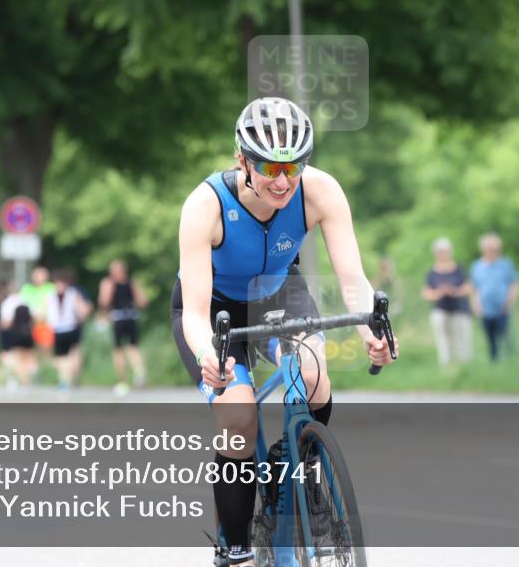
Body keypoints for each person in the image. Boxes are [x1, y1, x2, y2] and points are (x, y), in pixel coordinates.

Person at [171, 97, 399, 567]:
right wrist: (208, 355)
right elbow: (194, 312)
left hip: (278, 294)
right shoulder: (205, 205)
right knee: (237, 417)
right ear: (243, 161)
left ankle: (295, 465)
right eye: (270, 167)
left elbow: (352, 279)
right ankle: (234, 549)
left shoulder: (320, 191)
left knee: (315, 377)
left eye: (293, 166)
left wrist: (369, 332)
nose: (282, 180)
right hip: (214, 311)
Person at [98, 259, 149, 396]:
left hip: (118, 319)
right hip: (132, 316)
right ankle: (139, 372)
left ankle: (122, 381)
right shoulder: (132, 282)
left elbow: (104, 301)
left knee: (118, 351)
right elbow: (143, 302)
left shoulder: (108, 283)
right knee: (133, 347)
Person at [422, 238, 473, 366]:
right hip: (441, 310)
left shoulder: (459, 269)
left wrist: (454, 291)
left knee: (462, 339)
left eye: (445, 251)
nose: (443, 254)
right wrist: (440, 293)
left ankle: (464, 366)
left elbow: (468, 288)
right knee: (444, 341)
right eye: (440, 251)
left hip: (459, 309)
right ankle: (446, 366)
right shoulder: (431, 273)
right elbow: (426, 293)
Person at [469, 233, 519, 362]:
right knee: (490, 339)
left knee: (504, 337)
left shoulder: (506, 265)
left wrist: (509, 302)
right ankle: (494, 363)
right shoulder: (477, 266)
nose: (493, 251)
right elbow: (474, 289)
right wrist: (476, 305)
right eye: (490, 248)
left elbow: (514, 285)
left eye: (495, 249)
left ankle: (510, 362)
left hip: (503, 308)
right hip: (485, 309)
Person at [47, 268, 91, 391]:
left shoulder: (73, 294)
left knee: (72, 354)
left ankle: (68, 379)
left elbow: (84, 309)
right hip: (57, 328)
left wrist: (80, 317)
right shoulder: (50, 295)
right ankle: (64, 379)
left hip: (71, 327)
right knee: (60, 357)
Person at [0, 283, 36, 388]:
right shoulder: (26, 302)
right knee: (28, 357)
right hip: (28, 334)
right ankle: (32, 372)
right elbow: (33, 318)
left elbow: (6, 322)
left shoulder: (7, 303)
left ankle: (21, 380)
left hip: (15, 334)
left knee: (16, 358)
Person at [21, 265, 56, 351]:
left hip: (47, 322)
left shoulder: (52, 288)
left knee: (46, 346)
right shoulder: (26, 289)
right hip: (30, 321)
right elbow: (22, 305)